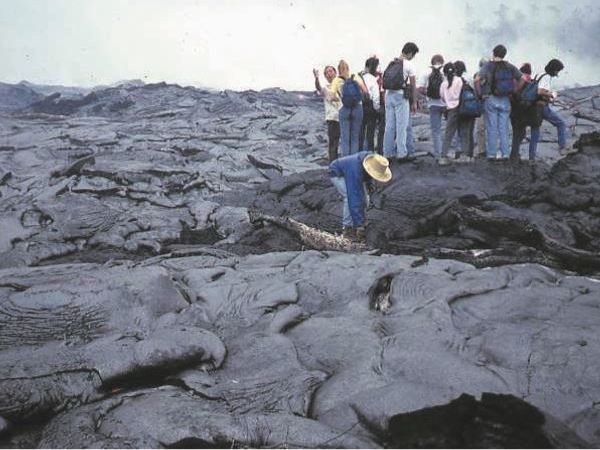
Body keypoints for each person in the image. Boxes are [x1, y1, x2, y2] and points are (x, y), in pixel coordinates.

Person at [475, 45, 525, 160]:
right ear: (504, 54)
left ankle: (492, 154)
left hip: (491, 99)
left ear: (493, 53)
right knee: (504, 128)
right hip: (506, 99)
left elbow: (477, 79)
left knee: (492, 128)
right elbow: (522, 79)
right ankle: (505, 154)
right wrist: (515, 91)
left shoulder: (488, 65)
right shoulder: (510, 66)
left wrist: (480, 94)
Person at [329, 152, 392, 240]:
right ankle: (347, 228)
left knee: (365, 198)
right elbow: (353, 198)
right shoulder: (355, 170)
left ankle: (360, 220)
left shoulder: (373, 160)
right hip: (337, 172)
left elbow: (368, 177)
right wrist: (359, 225)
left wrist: (370, 185)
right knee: (348, 197)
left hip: (353, 170)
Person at [383, 42, 419, 162]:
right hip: (400, 96)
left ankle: (387, 153)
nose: (413, 57)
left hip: (389, 95)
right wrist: (414, 102)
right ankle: (402, 153)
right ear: (410, 53)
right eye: (413, 55)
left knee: (389, 126)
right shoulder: (408, 64)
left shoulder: (391, 63)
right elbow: (413, 86)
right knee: (401, 126)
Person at [331, 60, 369, 156]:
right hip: (357, 108)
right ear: (348, 68)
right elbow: (365, 91)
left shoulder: (336, 80)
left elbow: (332, 97)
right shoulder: (355, 76)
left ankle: (345, 161)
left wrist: (340, 99)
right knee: (355, 137)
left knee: (345, 138)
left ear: (339, 70)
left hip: (344, 109)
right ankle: (353, 160)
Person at [439, 62, 471, 165]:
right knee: (464, 132)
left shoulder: (443, 84)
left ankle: (443, 157)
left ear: (444, 72)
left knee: (448, 134)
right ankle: (464, 155)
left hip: (450, 110)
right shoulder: (459, 80)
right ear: (455, 70)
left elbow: (442, 97)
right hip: (462, 108)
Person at [510, 63, 543, 161]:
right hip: (524, 111)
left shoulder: (515, 79)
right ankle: (516, 155)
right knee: (521, 133)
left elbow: (513, 93)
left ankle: (514, 154)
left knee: (516, 133)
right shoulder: (529, 80)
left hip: (515, 110)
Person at [538, 59, 570, 155]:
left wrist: (549, 98)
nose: (557, 74)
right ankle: (562, 148)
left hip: (535, 106)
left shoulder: (540, 74)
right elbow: (540, 91)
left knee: (534, 130)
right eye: (557, 71)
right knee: (561, 123)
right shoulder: (547, 77)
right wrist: (551, 94)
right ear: (554, 69)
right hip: (542, 107)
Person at [418, 54, 445, 158]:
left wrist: (428, 94)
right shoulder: (446, 72)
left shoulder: (426, 73)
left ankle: (438, 153)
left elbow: (420, 89)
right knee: (450, 129)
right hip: (446, 104)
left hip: (433, 104)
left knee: (436, 130)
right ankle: (446, 151)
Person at [313, 65, 342, 162]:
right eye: (327, 72)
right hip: (333, 118)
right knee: (333, 144)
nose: (329, 74)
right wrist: (316, 77)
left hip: (344, 117)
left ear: (335, 72)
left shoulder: (341, 85)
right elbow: (318, 87)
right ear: (325, 76)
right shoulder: (326, 88)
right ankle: (333, 165)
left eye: (331, 71)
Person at [454, 60, 476, 160]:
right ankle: (469, 152)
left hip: (458, 108)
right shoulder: (470, 79)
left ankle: (461, 152)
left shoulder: (453, 80)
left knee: (460, 131)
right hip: (470, 108)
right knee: (469, 131)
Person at [359, 56, 381, 152]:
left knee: (361, 132)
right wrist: (377, 108)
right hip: (370, 108)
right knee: (370, 133)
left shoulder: (360, 78)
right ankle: (370, 152)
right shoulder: (372, 79)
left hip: (359, 107)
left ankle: (359, 152)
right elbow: (376, 97)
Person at [474, 57, 488, 157]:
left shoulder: (477, 76)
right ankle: (483, 150)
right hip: (484, 105)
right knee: (482, 129)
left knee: (480, 129)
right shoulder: (477, 76)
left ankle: (482, 150)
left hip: (482, 105)